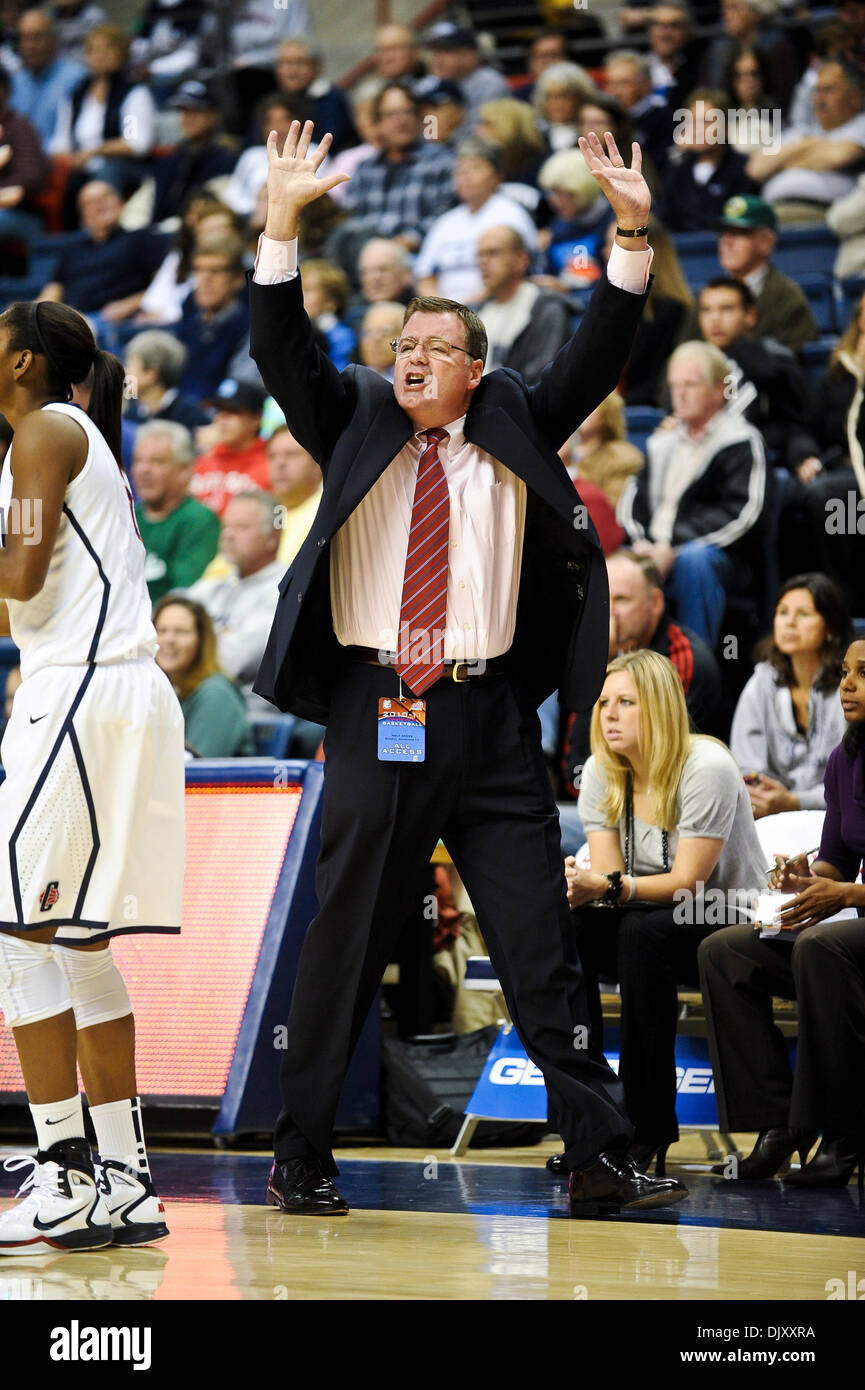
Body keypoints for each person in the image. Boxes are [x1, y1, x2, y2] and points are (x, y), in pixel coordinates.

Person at [250, 118, 688, 1218]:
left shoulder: (515, 416)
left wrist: (628, 227)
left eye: (437, 346)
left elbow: (598, 343)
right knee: (344, 938)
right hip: (372, 705)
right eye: (404, 338)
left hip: (489, 718)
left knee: (540, 948)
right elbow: (278, 347)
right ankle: (301, 1150)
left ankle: (598, 1150)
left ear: (478, 369)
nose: (413, 355)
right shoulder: (350, 412)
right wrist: (279, 225)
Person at [0, 299, 185, 1253]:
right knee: (76, 943)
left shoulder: (40, 429)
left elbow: (18, 576)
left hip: (80, 697)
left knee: (18, 937)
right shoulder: (68, 434)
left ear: (25, 360)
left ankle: (62, 1174)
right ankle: (123, 1179)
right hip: (119, 695)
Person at [561, 650, 765, 1173]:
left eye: (625, 702)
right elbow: (609, 886)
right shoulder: (603, 774)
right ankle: (592, 1124)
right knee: (575, 927)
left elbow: (687, 884)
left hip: (728, 915)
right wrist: (580, 888)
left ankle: (647, 1125)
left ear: (660, 708)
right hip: (647, 921)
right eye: (603, 702)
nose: (607, 714)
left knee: (641, 931)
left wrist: (606, 886)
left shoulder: (707, 765)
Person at [698, 637, 865, 1185]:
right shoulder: (844, 760)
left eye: (863, 673)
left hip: (850, 932)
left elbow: (847, 891)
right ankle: (779, 1124)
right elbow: (839, 861)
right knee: (724, 950)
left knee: (823, 948)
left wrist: (845, 898)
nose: (846, 683)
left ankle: (843, 1135)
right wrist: (808, 880)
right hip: (854, 927)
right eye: (844, 671)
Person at [618, 340, 767, 648]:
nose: (680, 393)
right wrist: (642, 543)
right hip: (656, 548)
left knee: (694, 563)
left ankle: (693, 671)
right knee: (615, 564)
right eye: (674, 385)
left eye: (690, 385)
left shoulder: (741, 439)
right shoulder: (663, 441)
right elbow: (632, 501)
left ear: (717, 389)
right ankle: (618, 675)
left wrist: (672, 546)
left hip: (717, 555)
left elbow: (742, 515)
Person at [730, 574, 851, 816]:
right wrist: (763, 795)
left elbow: (854, 785)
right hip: (773, 816)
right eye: (783, 612)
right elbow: (746, 767)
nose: (790, 622)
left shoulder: (851, 686)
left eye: (804, 614)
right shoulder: (761, 683)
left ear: (830, 628)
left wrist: (796, 801)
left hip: (840, 817)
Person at [188, 491, 284, 714]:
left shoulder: (284, 590)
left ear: (272, 538)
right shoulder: (215, 586)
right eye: (225, 527)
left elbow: (230, 661)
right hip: (193, 702)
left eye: (241, 528)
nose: (228, 535)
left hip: (245, 716)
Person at [413, 138, 539, 305]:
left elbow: (513, 273)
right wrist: (441, 307)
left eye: (475, 168)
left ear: (497, 176)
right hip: (446, 310)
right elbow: (425, 277)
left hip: (494, 304)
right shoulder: (445, 222)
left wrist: (461, 308)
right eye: (460, 170)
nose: (465, 176)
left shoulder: (511, 214)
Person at [747, 59, 865, 216]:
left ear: (855, 96)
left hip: (826, 214)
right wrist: (809, 145)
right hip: (775, 212)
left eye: (828, 90)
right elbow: (756, 167)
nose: (819, 99)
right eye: (817, 91)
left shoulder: (860, 124)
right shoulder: (801, 131)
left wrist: (781, 163)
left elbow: (838, 157)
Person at [132, 420, 221, 603]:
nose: (143, 470)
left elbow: (182, 594)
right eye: (138, 461)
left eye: (156, 462)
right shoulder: (126, 515)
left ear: (184, 470)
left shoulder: (199, 519)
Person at [154, 594, 254, 756]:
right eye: (161, 630)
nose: (169, 639)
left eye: (181, 632)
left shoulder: (216, 694)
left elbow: (195, 769)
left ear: (202, 641)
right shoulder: (160, 692)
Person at [715, 195, 818, 351]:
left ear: (766, 242)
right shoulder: (708, 296)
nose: (727, 242)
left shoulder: (788, 298)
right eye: (724, 233)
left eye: (739, 233)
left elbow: (795, 362)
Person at [477, 226, 573, 385]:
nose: (483, 262)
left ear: (521, 260)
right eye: (480, 255)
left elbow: (543, 378)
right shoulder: (476, 312)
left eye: (493, 253)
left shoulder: (547, 309)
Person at [10, 7, 84, 148]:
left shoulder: (76, 78)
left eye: (36, 37)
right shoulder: (15, 82)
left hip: (62, 162)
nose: (29, 45)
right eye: (24, 38)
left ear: (53, 40)